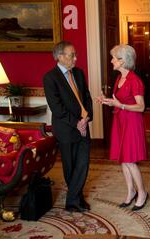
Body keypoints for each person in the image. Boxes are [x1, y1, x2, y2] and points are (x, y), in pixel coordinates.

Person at [96, 44, 148, 211]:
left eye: (114, 58)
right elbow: (119, 101)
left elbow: (141, 107)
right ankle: (131, 191)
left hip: (132, 122)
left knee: (130, 161)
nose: (111, 61)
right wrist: (107, 101)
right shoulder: (119, 78)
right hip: (120, 121)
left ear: (123, 61)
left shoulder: (135, 81)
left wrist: (121, 105)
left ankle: (142, 193)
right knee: (123, 160)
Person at [43, 41, 93, 213]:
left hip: (84, 125)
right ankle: (74, 200)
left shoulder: (78, 73)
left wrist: (87, 118)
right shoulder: (50, 78)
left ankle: (73, 200)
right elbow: (57, 108)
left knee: (83, 163)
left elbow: (86, 97)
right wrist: (76, 122)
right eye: (72, 55)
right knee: (70, 166)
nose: (76, 58)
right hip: (66, 128)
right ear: (60, 56)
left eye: (75, 54)